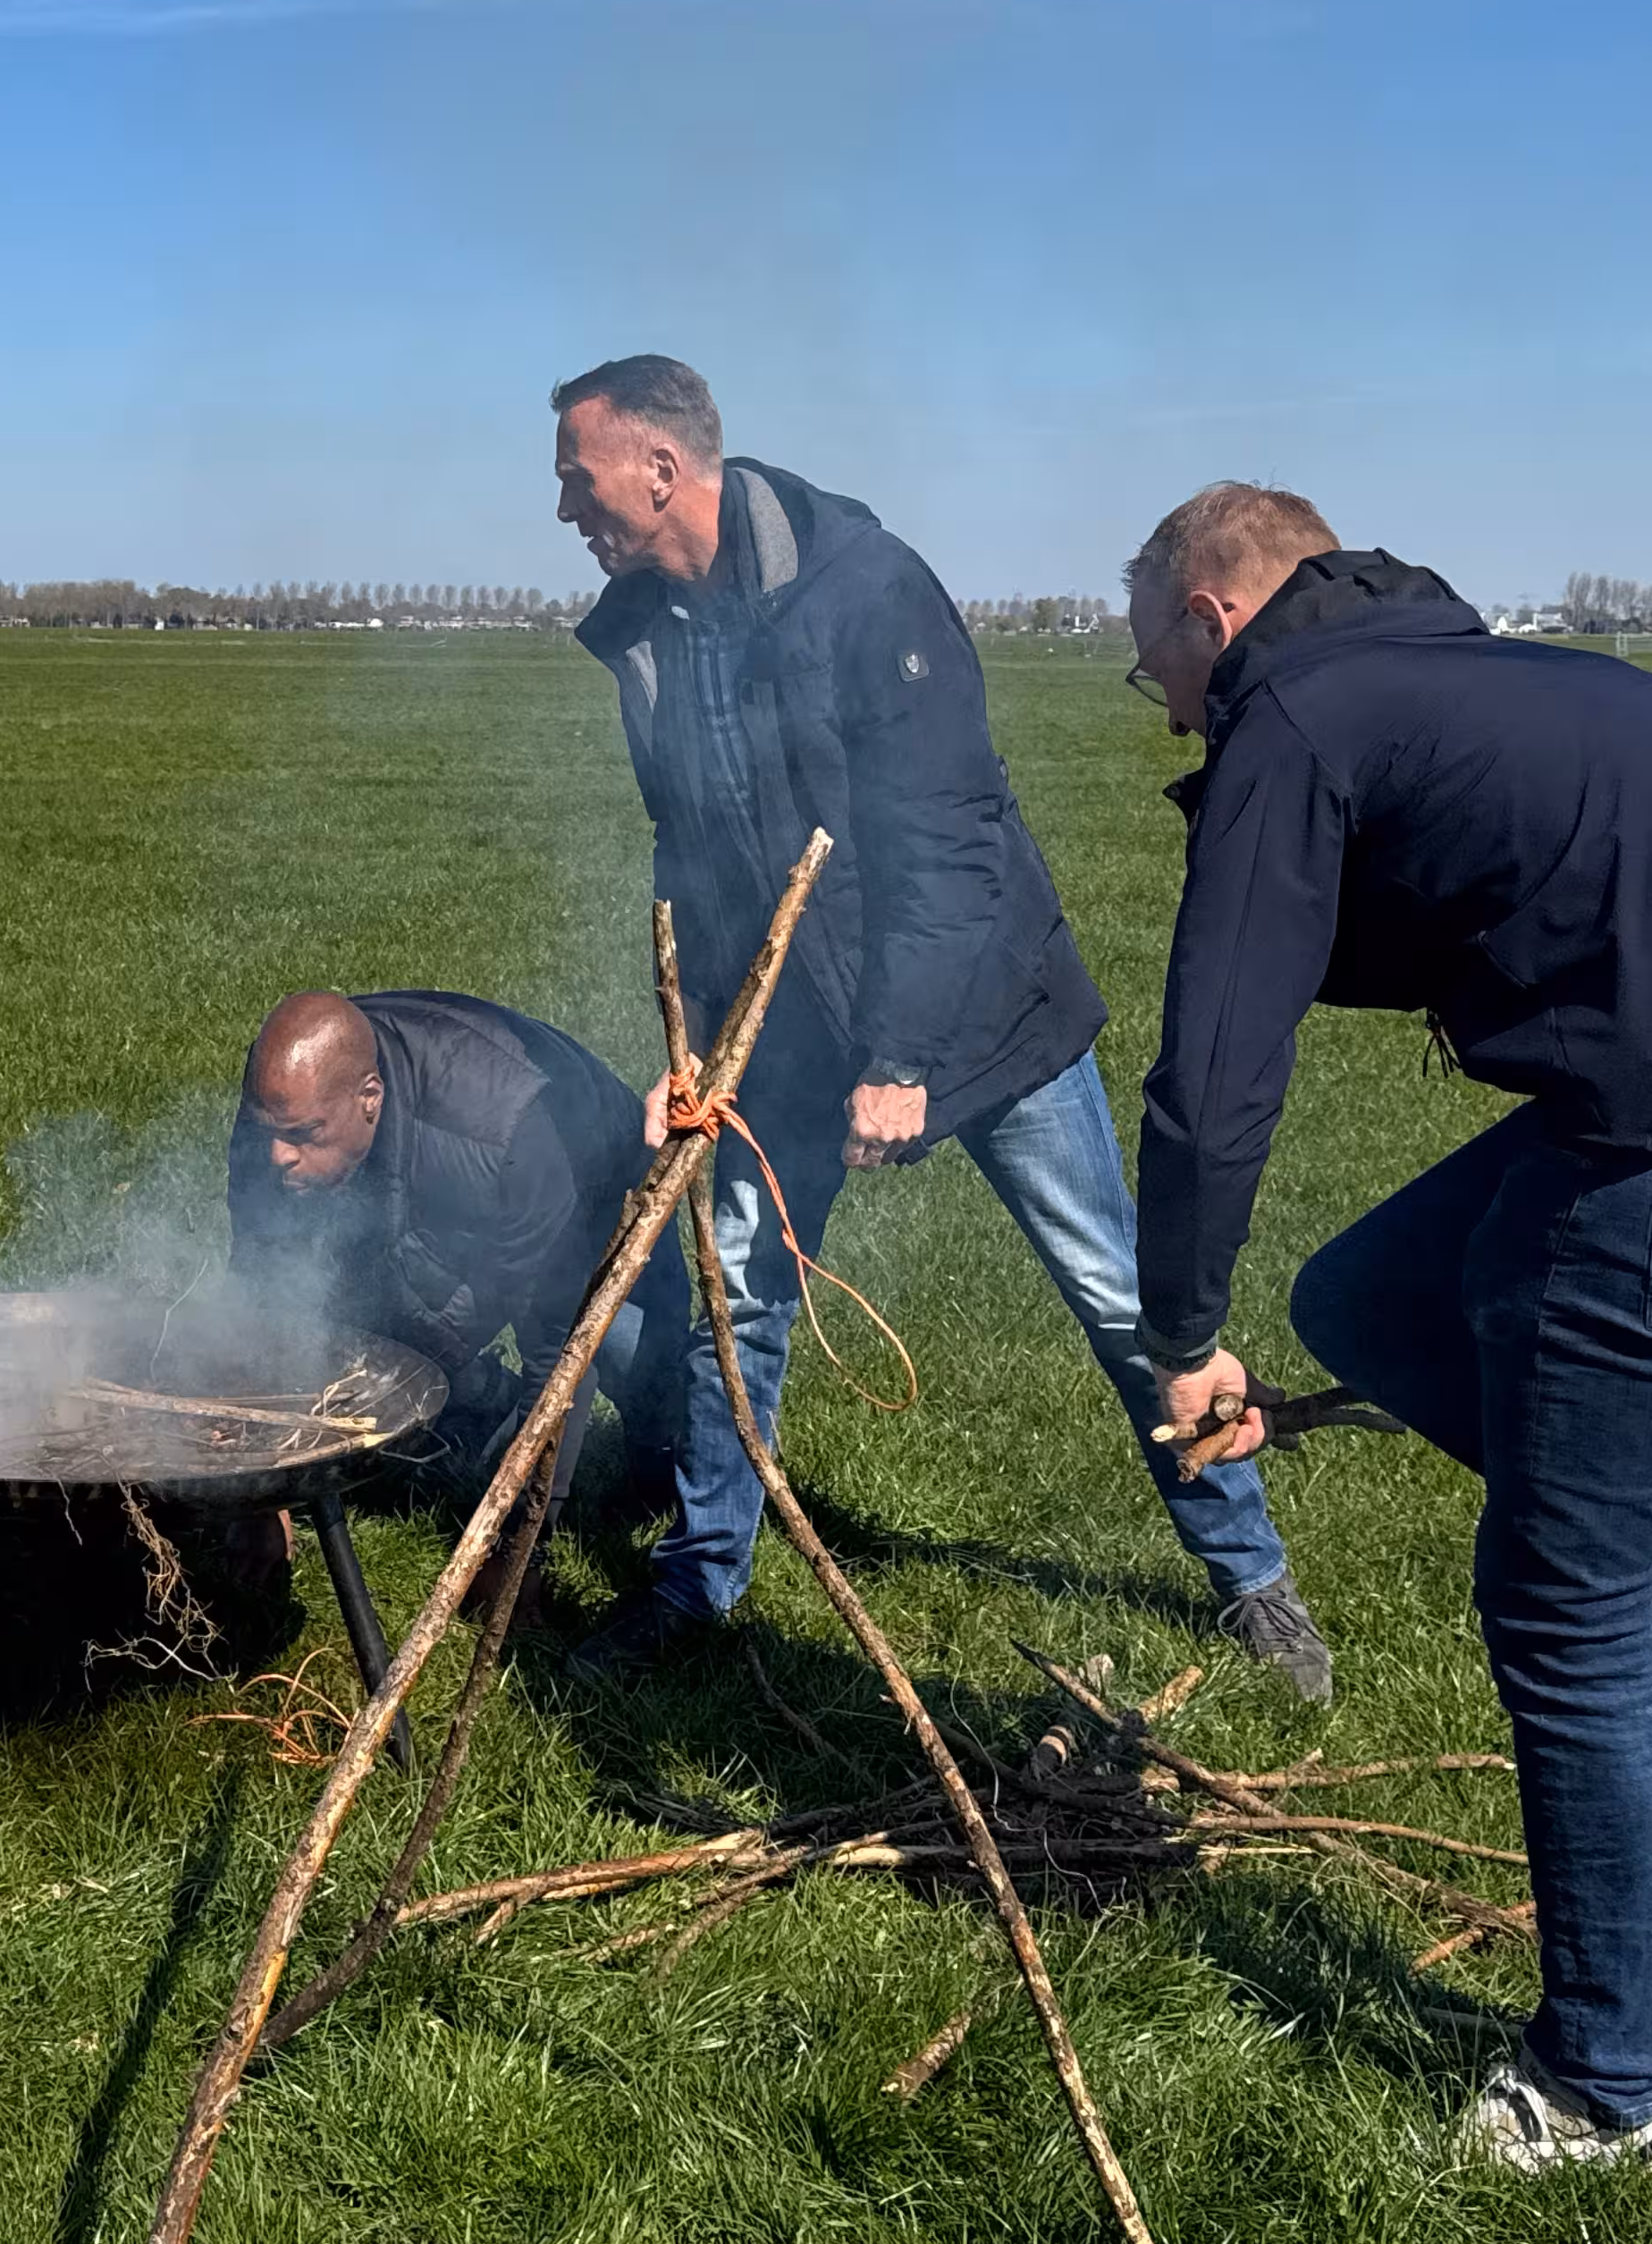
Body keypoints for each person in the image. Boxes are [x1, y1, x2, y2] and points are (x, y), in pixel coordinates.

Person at [1123, 483, 1652, 2192]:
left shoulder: (1299, 707)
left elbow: (1212, 1077)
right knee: (1375, 1296)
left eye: (1150, 669)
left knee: (1553, 1596)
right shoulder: (1456, 671)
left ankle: (1599, 2085)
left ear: (1212, 614)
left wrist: (1182, 1330)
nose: (1160, 703)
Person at [550, 354, 1328, 1691]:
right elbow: (688, 840)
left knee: (1119, 1295)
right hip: (781, 1030)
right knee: (738, 1294)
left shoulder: (862, 587)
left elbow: (952, 841)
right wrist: (689, 1040)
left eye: (577, 476)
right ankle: (702, 1576)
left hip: (980, 1013)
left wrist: (903, 1054)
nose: (564, 507)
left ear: (662, 468)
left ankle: (1253, 1579)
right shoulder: (645, 631)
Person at [227, 989, 690, 1503]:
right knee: (372, 1336)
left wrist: (518, 1543)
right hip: (453, 1186)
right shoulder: (282, 1097)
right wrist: (261, 1492)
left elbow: (559, 1354)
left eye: (303, 1134)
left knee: (635, 1357)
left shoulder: (507, 1124)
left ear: (370, 1097)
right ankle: (482, 1397)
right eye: (268, 1132)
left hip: (589, 1181)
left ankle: (663, 1477)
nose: (278, 1156)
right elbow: (259, 1279)